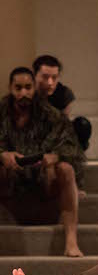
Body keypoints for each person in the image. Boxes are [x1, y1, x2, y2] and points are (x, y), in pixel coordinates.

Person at [0, 66, 86, 257]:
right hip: (9, 181)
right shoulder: (1, 113)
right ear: (10, 88)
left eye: (28, 87)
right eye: (18, 87)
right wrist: (3, 155)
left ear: (34, 88)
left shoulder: (50, 114)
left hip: (44, 179)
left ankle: (71, 242)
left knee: (66, 169)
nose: (23, 93)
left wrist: (55, 156)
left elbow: (73, 147)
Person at [33, 55, 92, 151]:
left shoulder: (64, 93)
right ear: (35, 76)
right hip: (30, 134)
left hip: (54, 135)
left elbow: (62, 125)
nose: (50, 83)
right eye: (45, 77)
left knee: (82, 124)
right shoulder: (28, 92)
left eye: (54, 77)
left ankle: (73, 157)